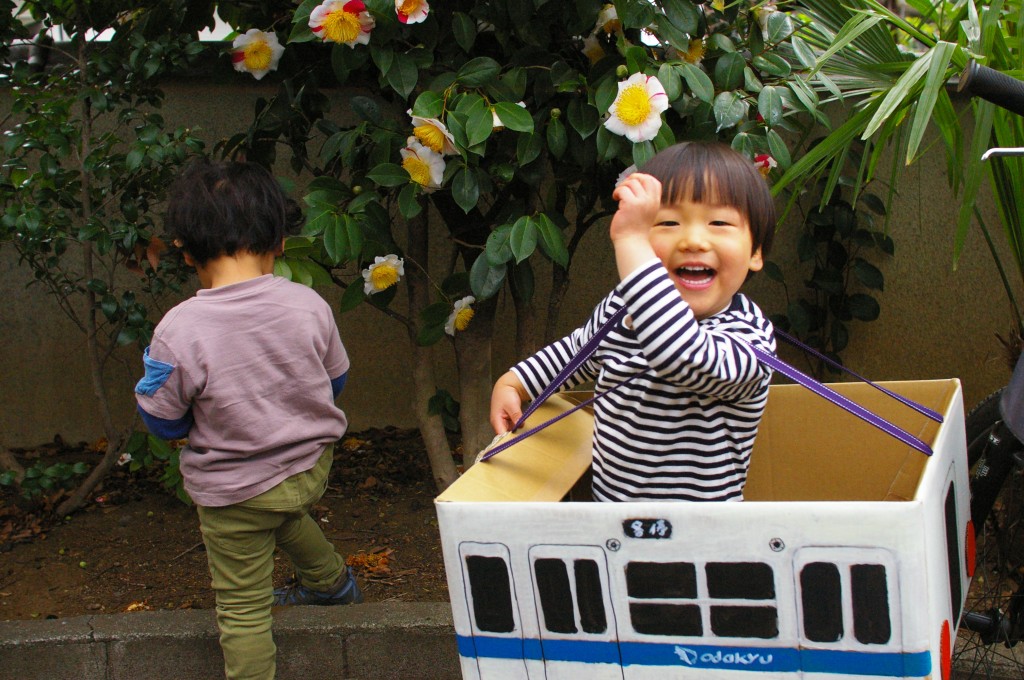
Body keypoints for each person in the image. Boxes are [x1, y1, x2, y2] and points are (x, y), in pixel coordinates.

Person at [134, 158, 361, 680]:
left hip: (234, 489)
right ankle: (333, 585)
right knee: (279, 509)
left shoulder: (179, 330)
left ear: (186, 252)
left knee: (242, 611)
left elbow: (163, 423)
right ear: (280, 241)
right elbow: (334, 384)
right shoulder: (309, 306)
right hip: (308, 467)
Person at [489, 141, 777, 502]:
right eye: (668, 222)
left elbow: (680, 354)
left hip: (700, 540)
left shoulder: (748, 336)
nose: (692, 240)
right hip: (613, 518)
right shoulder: (623, 309)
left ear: (755, 252)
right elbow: (580, 351)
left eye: (719, 222)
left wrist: (630, 240)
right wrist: (516, 382)